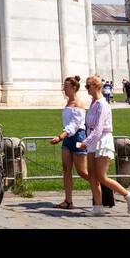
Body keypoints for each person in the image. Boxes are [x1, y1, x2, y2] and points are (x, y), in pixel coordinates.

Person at [78, 74, 130, 215]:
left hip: (102, 139)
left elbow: (99, 128)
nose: (86, 88)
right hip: (92, 140)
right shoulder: (93, 103)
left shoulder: (103, 104)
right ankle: (98, 207)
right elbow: (90, 126)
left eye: (88, 85)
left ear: (96, 86)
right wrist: (87, 140)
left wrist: (85, 142)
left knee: (101, 176)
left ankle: (128, 194)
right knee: (92, 175)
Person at [49, 75, 90, 210]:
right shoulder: (68, 103)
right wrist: (64, 137)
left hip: (78, 137)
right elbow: (68, 125)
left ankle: (101, 186)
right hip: (67, 138)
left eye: (66, 87)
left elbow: (74, 125)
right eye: (64, 86)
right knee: (66, 170)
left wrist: (60, 137)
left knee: (82, 171)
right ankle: (68, 201)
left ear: (74, 88)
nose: (64, 89)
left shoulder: (79, 104)